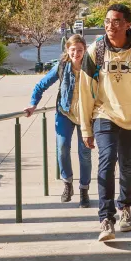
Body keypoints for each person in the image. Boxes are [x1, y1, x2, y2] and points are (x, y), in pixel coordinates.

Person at [78, 3, 131, 242]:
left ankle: (125, 207)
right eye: (107, 21)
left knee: (126, 165)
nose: (109, 26)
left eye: (115, 21)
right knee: (106, 162)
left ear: (127, 24)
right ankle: (106, 217)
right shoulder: (96, 50)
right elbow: (85, 91)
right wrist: (86, 128)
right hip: (104, 114)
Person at [24, 34, 92, 208]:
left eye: (79, 50)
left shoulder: (92, 67)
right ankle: (67, 184)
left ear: (84, 50)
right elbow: (41, 85)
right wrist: (33, 104)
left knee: (84, 154)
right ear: (67, 51)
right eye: (72, 50)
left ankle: (84, 190)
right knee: (62, 148)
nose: (76, 53)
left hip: (85, 115)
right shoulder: (62, 66)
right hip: (65, 113)